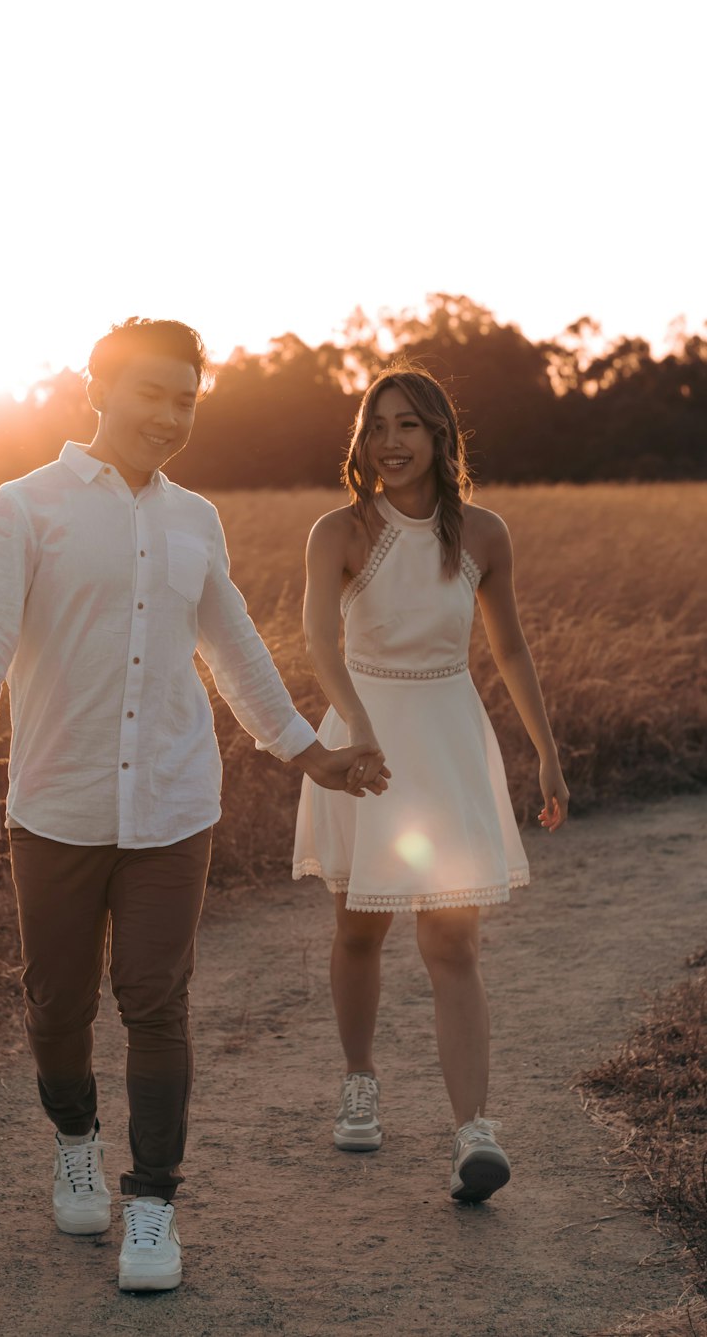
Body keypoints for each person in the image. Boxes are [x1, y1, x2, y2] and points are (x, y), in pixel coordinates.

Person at [0, 317, 388, 1293]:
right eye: (153, 393)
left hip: (175, 805)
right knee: (56, 1005)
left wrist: (310, 753)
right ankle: (75, 1137)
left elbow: (231, 648)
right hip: (55, 804)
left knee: (156, 1001)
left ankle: (152, 1205)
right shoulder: (22, 508)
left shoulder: (195, 519)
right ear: (99, 388)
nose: (171, 415)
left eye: (187, 400)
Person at [293, 360, 568, 1203]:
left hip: (449, 737)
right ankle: (360, 1079)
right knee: (360, 930)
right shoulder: (337, 532)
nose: (390, 442)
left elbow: (511, 650)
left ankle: (471, 1133)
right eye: (376, 427)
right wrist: (360, 732)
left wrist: (548, 751)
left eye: (407, 424)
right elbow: (318, 644)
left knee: (453, 941)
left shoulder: (484, 533)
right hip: (363, 741)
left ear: (441, 433)